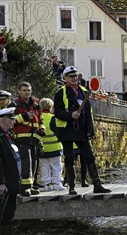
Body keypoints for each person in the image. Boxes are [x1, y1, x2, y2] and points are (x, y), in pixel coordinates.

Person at [52, 66, 111, 195]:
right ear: (65, 78)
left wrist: (90, 129)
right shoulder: (60, 93)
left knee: (89, 157)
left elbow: (88, 112)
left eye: (75, 76)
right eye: (71, 76)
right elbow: (58, 112)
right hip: (67, 130)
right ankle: (72, 186)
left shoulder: (84, 91)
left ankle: (97, 184)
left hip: (82, 130)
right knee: (69, 158)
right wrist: (70, 115)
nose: (74, 78)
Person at [0, 107, 24, 235]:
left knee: (8, 215)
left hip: (11, 183)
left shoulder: (6, 134)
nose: (14, 121)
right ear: (3, 119)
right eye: (11, 119)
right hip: (0, 185)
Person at [8, 82, 45, 197]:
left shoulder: (35, 104)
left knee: (34, 163)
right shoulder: (14, 104)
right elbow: (10, 120)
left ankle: (31, 185)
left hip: (34, 138)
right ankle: (24, 188)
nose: (27, 92)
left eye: (28, 90)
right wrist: (24, 116)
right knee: (26, 163)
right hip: (21, 139)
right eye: (24, 90)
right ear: (19, 91)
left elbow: (40, 119)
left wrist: (42, 129)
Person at [38, 98, 66, 192]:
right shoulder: (53, 118)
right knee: (56, 166)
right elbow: (59, 132)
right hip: (55, 147)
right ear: (51, 107)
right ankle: (57, 184)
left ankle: (46, 185)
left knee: (44, 166)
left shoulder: (38, 117)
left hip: (42, 148)